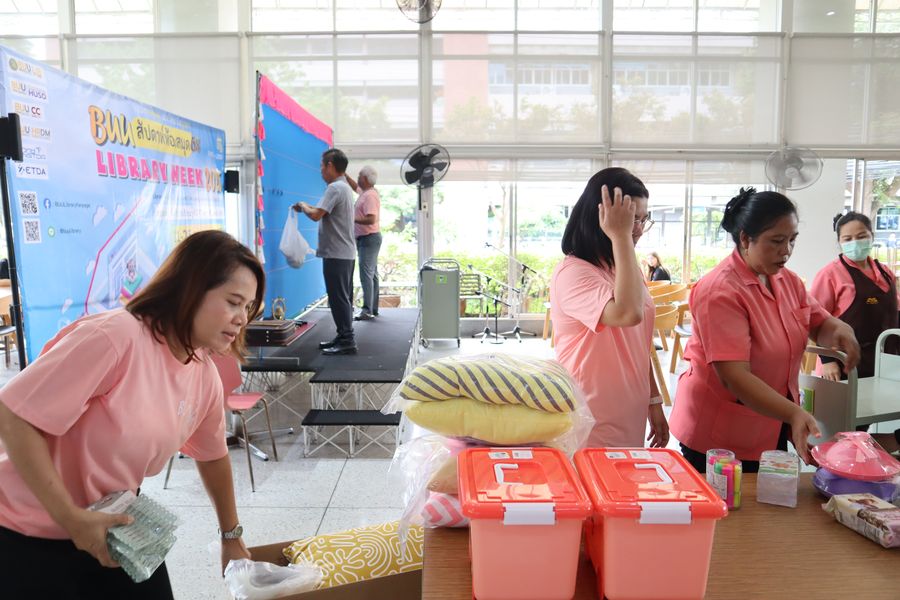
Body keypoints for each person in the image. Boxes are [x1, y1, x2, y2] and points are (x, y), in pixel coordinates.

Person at [0, 230, 264, 598]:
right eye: (234, 302)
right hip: (28, 531)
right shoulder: (118, 336)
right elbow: (13, 413)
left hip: (111, 527)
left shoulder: (203, 373)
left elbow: (213, 455)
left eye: (248, 308)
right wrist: (70, 518)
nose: (241, 319)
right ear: (190, 289)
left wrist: (231, 537)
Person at [669, 188, 860, 472]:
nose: (787, 251)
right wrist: (794, 413)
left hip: (771, 420)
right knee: (731, 498)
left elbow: (818, 322)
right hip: (720, 433)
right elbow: (734, 376)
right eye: (777, 241)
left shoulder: (786, 280)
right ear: (746, 239)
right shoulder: (720, 290)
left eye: (792, 240)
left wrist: (839, 329)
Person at [551, 167, 669, 449]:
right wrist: (621, 237)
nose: (638, 229)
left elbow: (639, 343)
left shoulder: (625, 267)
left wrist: (653, 399)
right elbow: (628, 314)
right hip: (590, 415)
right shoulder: (573, 273)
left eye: (643, 219)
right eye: (631, 219)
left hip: (630, 408)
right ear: (601, 217)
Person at [810, 211, 900, 453]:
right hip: (840, 365)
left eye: (861, 236)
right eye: (847, 239)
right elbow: (813, 320)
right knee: (836, 431)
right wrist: (827, 360)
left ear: (872, 236)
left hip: (880, 364)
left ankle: (862, 467)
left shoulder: (884, 272)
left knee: (864, 424)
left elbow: (895, 313)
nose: (855, 243)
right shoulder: (830, 274)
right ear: (839, 242)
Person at [293, 148, 357, 355]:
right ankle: (343, 335)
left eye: (322, 166)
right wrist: (307, 207)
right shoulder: (344, 187)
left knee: (338, 298)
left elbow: (316, 215)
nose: (320, 171)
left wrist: (303, 206)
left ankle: (347, 340)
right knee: (342, 297)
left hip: (336, 253)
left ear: (330, 166)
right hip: (344, 253)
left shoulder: (335, 188)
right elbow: (321, 211)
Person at [345, 165, 382, 321]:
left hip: (369, 238)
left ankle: (367, 310)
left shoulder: (370, 196)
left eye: (359, 176)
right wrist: (345, 175)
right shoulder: (365, 192)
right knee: (372, 274)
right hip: (368, 238)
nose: (358, 178)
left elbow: (371, 218)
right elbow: (355, 187)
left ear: (365, 179)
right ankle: (373, 308)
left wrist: (350, 217)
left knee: (366, 274)